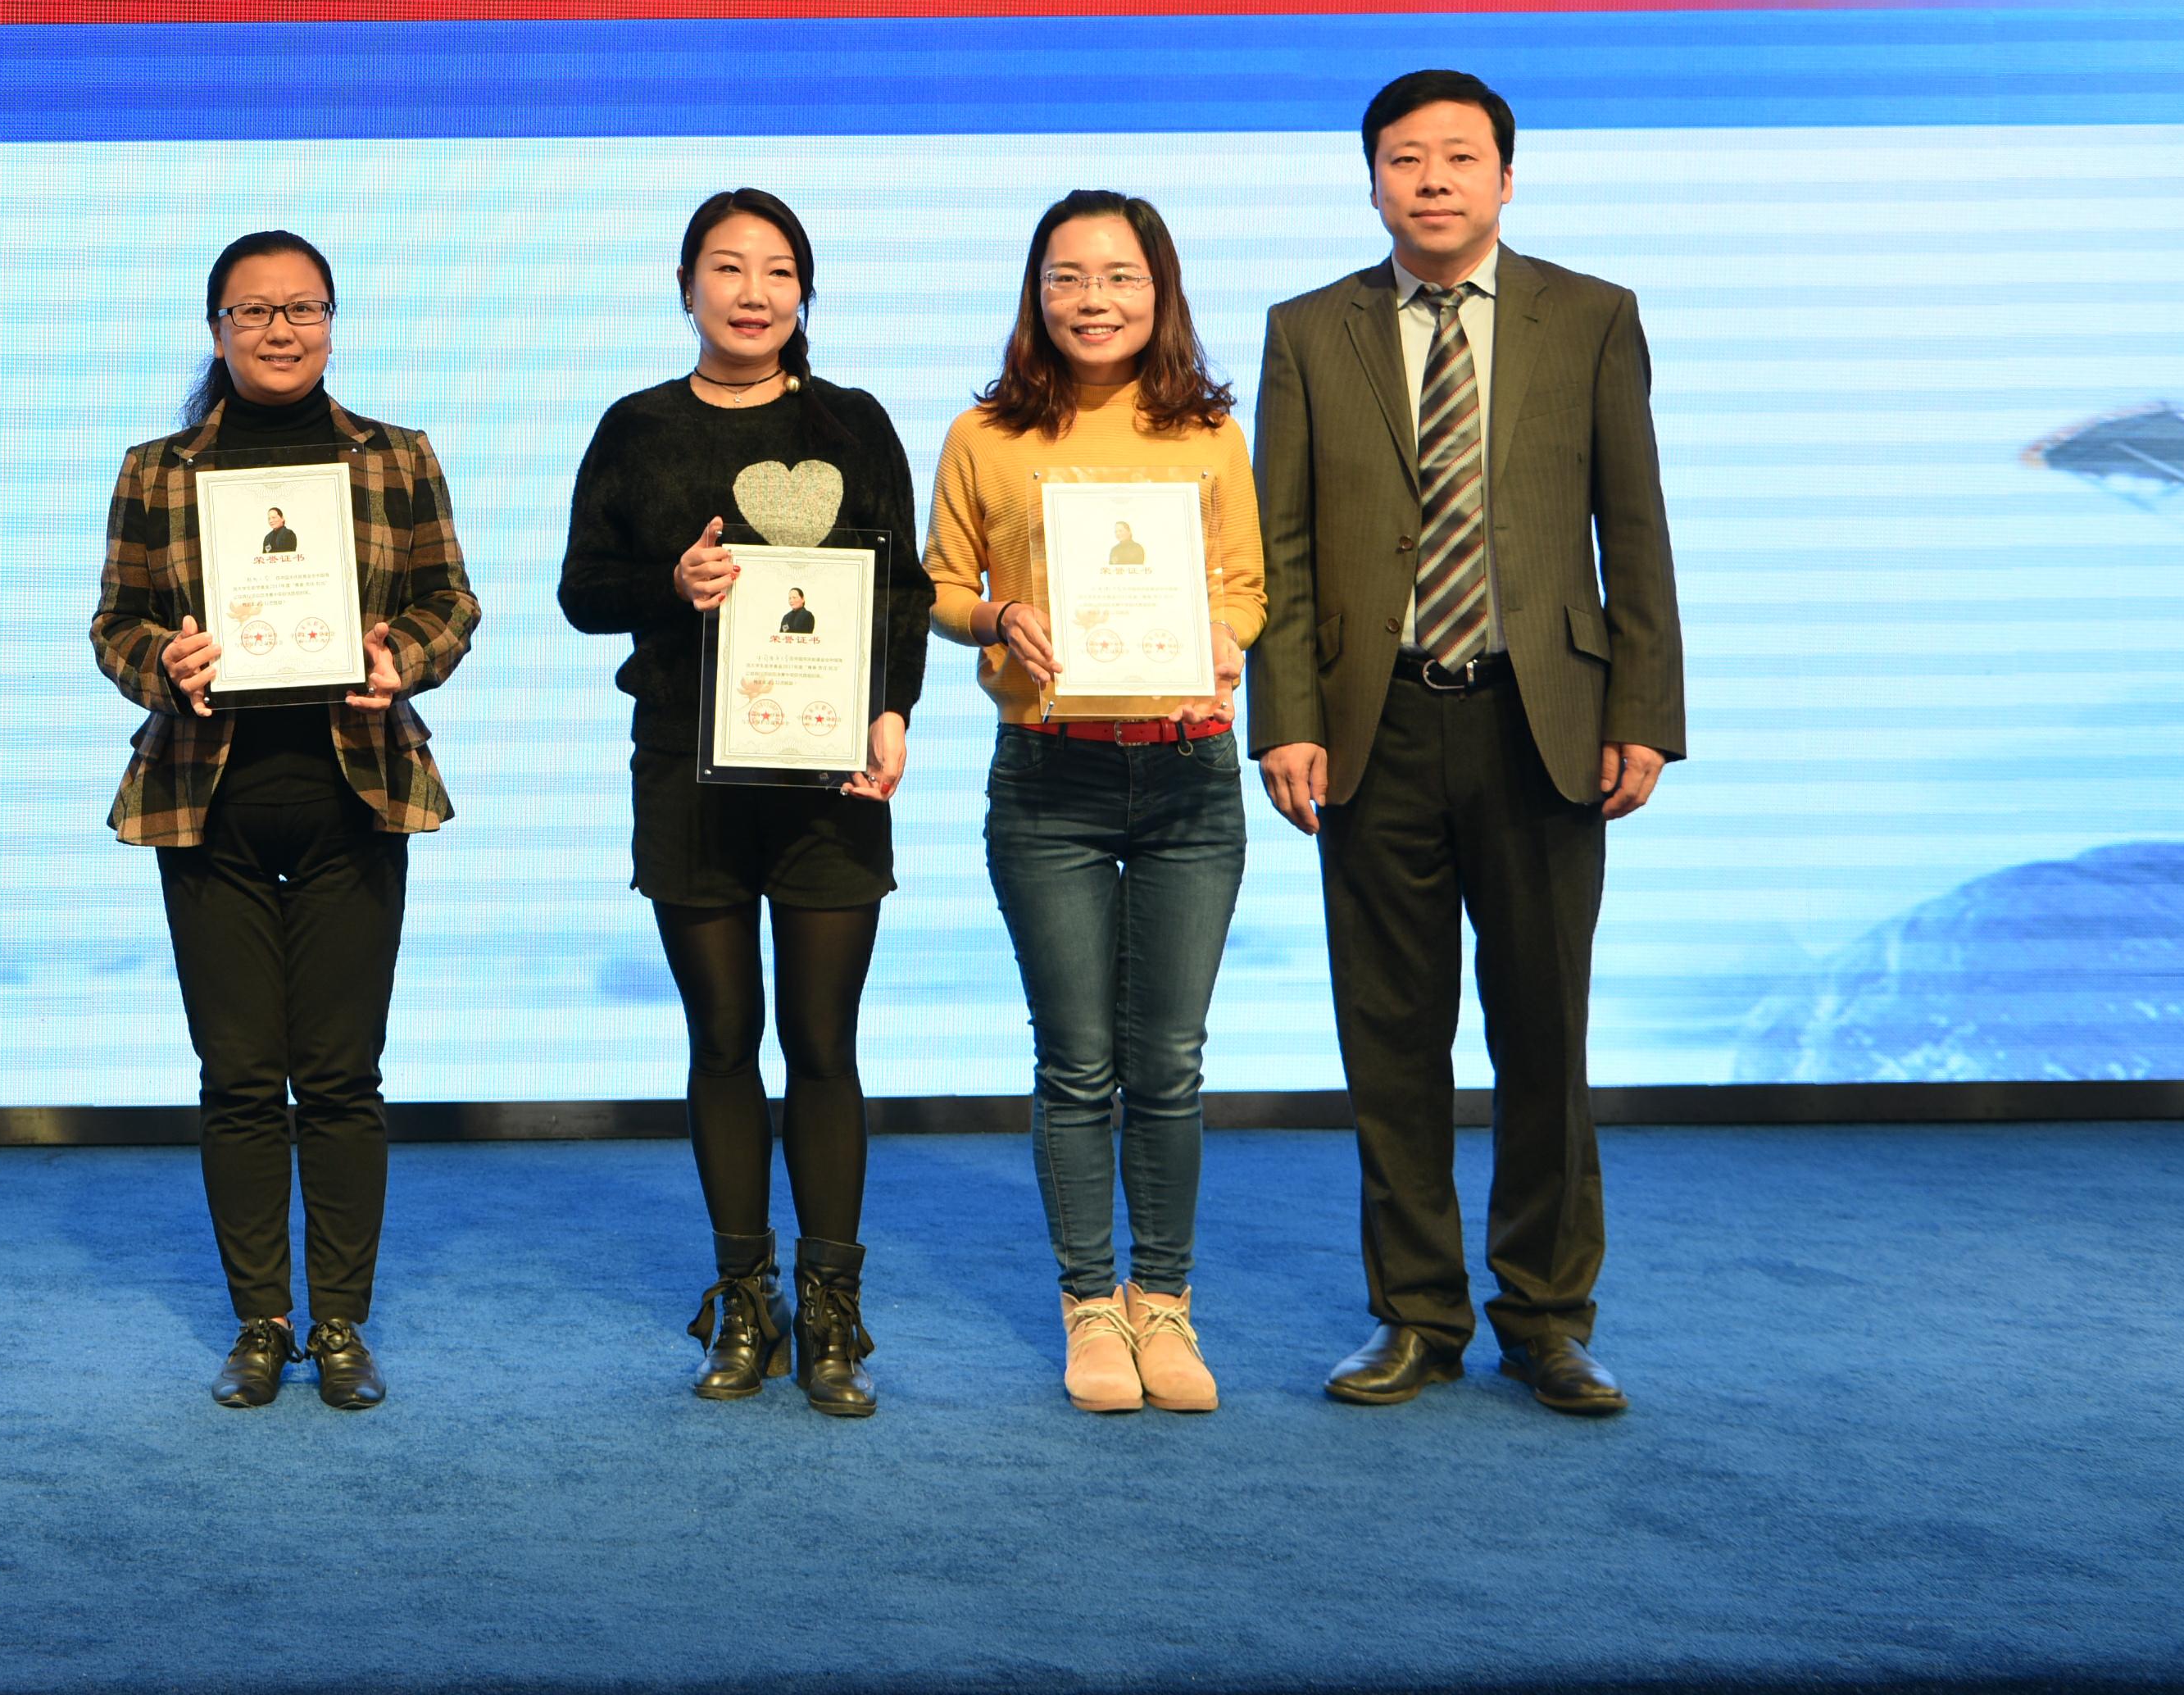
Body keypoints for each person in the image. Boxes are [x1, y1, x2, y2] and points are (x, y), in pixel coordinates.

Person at [1254, 70, 1682, 1419]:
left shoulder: (1592, 315)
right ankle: (1416, 1316)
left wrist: (1644, 711)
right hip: (1373, 722)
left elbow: (1635, 524)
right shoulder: (1308, 330)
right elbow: (1282, 544)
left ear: (1506, 176)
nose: (1431, 180)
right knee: (1391, 1037)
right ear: (1371, 181)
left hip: (1540, 719)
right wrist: (1287, 718)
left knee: (1546, 1033)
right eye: (1404, 159)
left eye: (1457, 157)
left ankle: (1548, 1319)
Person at [93, 231, 479, 1413]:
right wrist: (164, 663)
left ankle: (342, 1322)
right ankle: (261, 1321)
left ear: (332, 325)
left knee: (343, 1076)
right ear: (216, 331)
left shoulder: (395, 456)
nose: (279, 330)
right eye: (253, 311)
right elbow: (115, 624)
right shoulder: (158, 470)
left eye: (303, 309)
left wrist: (403, 657)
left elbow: (451, 600)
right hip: (205, 804)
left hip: (353, 797)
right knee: (240, 1078)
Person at [556, 189, 919, 1414]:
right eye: (726, 267)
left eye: (776, 270)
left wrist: (893, 712)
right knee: (721, 1040)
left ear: (804, 293)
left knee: (822, 1043)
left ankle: (832, 1316)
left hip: (831, 778)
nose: (752, 291)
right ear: (687, 287)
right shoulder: (637, 426)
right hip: (687, 771)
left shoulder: (855, 422)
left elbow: (903, 591)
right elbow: (582, 592)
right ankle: (744, 1304)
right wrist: (671, 582)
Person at [924, 191, 1265, 1416]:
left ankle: (1162, 1303)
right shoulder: (985, 433)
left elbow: (1247, 586)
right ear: (1036, 294)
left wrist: (1224, 639)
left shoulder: (1210, 433)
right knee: (1075, 1063)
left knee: (1167, 1063)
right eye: (1066, 277)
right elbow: (939, 585)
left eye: (1120, 277)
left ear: (1159, 291)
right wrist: (998, 615)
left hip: (1187, 774)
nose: (1094, 300)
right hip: (1048, 775)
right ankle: (1088, 1309)